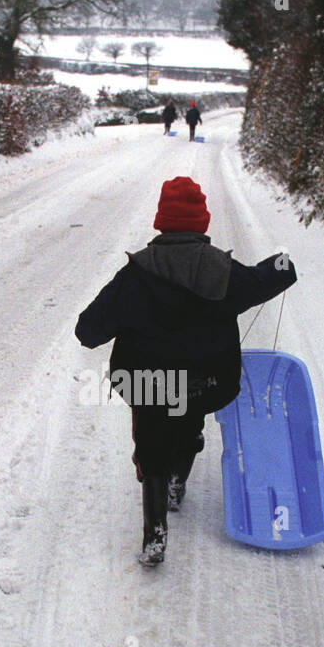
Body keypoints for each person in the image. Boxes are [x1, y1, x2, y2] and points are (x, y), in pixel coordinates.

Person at [75, 177, 296, 566]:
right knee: (189, 419)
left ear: (161, 221)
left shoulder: (136, 274)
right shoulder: (223, 271)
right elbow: (263, 281)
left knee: (151, 438)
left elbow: (88, 330)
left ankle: (155, 531)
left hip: (149, 385)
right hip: (206, 381)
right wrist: (284, 263)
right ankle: (178, 482)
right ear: (202, 222)